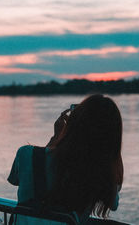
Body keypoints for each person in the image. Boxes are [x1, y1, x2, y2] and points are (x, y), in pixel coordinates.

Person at [8, 94, 124, 224]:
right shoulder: (97, 171)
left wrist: (56, 138)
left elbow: (17, 179)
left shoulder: (25, 154)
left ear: (73, 122)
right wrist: (111, 153)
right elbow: (113, 204)